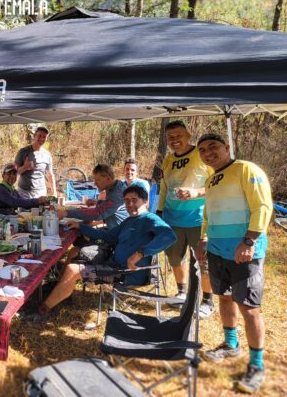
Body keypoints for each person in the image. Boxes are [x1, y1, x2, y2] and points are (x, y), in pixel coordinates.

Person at [196, 134, 272, 394]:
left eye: (213, 147)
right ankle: (231, 344)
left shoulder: (246, 169)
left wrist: (249, 241)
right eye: (202, 150)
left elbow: (262, 206)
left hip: (244, 251)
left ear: (227, 147)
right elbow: (208, 213)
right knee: (225, 297)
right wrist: (204, 239)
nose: (208, 153)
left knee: (249, 308)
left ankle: (257, 365)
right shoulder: (211, 179)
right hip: (217, 250)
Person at [29, 185, 176, 319]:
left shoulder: (150, 219)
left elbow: (169, 236)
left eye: (134, 200)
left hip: (126, 272)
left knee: (72, 270)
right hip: (113, 262)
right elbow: (108, 236)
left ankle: (42, 311)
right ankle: (58, 291)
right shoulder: (130, 220)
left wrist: (140, 253)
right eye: (126, 201)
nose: (130, 204)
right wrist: (81, 227)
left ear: (145, 201)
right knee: (74, 252)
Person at [157, 120, 215, 317]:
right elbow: (164, 188)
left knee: (203, 260)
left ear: (188, 135)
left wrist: (196, 192)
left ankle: (207, 300)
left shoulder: (201, 155)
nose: (175, 140)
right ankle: (181, 292)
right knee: (174, 257)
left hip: (198, 218)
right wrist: (159, 211)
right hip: (172, 218)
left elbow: (216, 183)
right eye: (170, 137)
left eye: (179, 136)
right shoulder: (168, 160)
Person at [58, 164, 128, 230]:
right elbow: (110, 206)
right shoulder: (116, 186)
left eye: (98, 180)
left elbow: (98, 213)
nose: (95, 183)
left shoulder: (117, 194)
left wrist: (66, 213)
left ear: (108, 179)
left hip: (121, 234)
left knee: (82, 233)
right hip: (116, 229)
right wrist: (97, 202)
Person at [14, 126, 56, 199]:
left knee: (42, 207)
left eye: (44, 137)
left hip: (40, 193)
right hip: (24, 192)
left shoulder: (47, 154)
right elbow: (14, 172)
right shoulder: (23, 151)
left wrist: (54, 192)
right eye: (39, 136)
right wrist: (25, 167)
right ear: (34, 136)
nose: (41, 138)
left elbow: (50, 175)